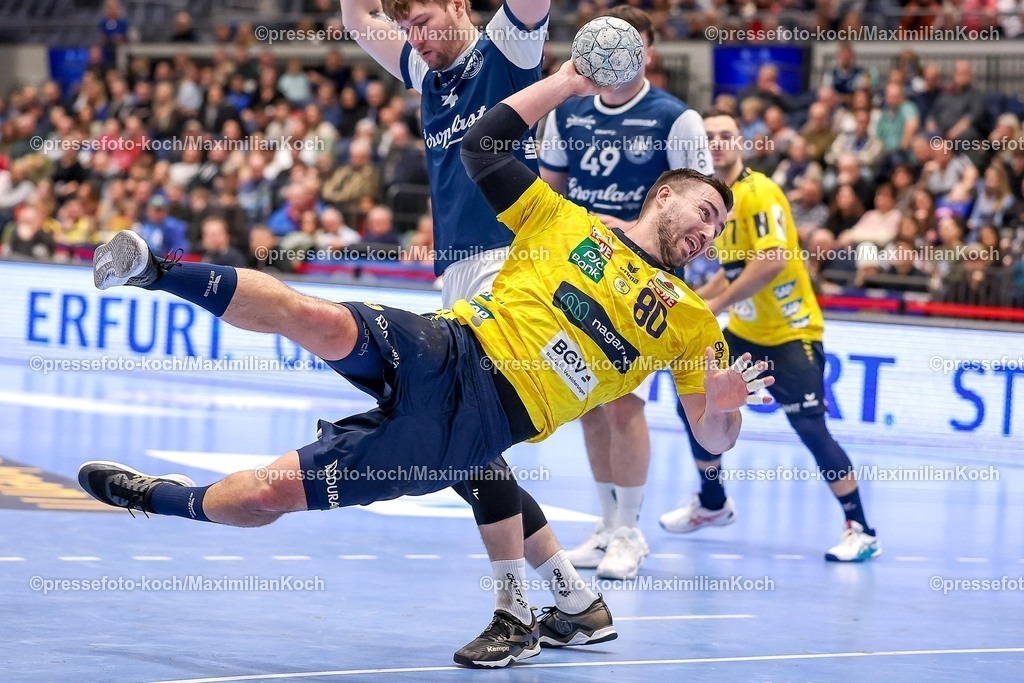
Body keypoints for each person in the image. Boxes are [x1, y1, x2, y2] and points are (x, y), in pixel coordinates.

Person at [80, 61, 771, 669]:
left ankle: (156, 496)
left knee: (267, 493)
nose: (707, 233)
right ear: (663, 196)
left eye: (716, 230)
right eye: (704, 211)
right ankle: (153, 269)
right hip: (450, 344)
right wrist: (571, 82)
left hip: (496, 414)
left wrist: (725, 402)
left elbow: (712, 439)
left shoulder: (693, 320)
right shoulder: (568, 220)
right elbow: (483, 145)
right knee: (319, 318)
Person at [339, 0, 612, 663]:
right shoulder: (423, 72)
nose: (417, 38)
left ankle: (515, 612)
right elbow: (355, 19)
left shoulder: (506, 50)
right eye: (406, 28)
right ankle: (576, 601)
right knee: (470, 449)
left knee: (463, 434)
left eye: (427, 20)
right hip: (459, 274)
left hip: (511, 266)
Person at [658, 109, 882, 563]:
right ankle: (714, 503)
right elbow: (733, 272)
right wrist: (694, 304)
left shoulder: (760, 193)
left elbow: (772, 262)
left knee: (810, 430)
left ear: (741, 143)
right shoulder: (716, 203)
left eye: (726, 136)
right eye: (710, 136)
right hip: (746, 332)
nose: (717, 143)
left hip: (791, 334)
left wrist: (711, 309)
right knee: (695, 403)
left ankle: (861, 528)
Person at [537, 6, 712, 580]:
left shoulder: (676, 119)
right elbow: (551, 198)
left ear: (647, 53)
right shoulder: (569, 113)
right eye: (604, 46)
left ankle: (631, 533)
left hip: (645, 285)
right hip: (583, 275)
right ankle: (608, 524)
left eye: (628, 45)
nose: (615, 57)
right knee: (585, 401)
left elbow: (704, 207)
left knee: (625, 403)